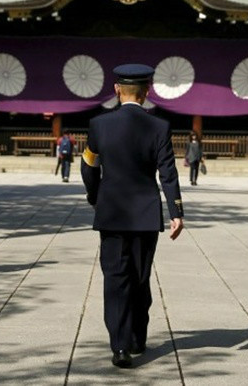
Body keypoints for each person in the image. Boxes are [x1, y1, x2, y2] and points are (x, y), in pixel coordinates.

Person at [81, 63, 184, 369]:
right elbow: (168, 171)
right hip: (145, 214)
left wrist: (94, 195)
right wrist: (176, 211)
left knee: (115, 278)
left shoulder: (99, 125)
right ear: (146, 92)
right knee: (140, 276)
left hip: (111, 211)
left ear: (116, 90)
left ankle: (120, 346)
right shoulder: (160, 127)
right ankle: (138, 337)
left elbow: (89, 166)